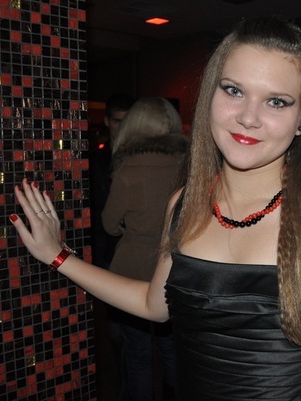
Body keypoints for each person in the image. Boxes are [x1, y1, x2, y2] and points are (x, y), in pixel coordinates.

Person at [9, 16, 301, 400]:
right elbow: (154, 305)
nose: (248, 117)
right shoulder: (185, 204)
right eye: (234, 90)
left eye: (276, 101)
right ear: (210, 98)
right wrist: (58, 256)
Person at [102, 97, 187, 401]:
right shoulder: (189, 165)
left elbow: (109, 224)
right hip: (175, 269)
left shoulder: (127, 168)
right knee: (171, 350)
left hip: (132, 270)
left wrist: (130, 229)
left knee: (137, 353)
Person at [89, 93, 135, 269]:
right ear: (107, 121)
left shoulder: (141, 158)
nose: (122, 127)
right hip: (103, 242)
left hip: (131, 241)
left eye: (126, 122)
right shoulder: (95, 160)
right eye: (117, 121)